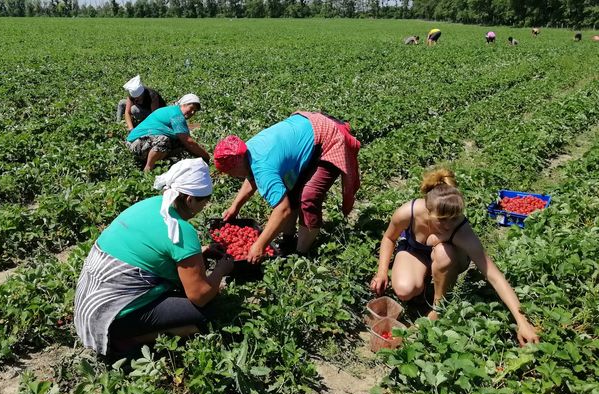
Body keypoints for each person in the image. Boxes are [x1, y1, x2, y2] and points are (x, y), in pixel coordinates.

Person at [74, 158, 234, 356]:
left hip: (88, 307)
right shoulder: (182, 230)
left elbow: (151, 250)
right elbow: (200, 296)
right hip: (111, 318)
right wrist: (221, 271)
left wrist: (197, 253)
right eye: (204, 202)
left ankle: (127, 330)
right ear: (190, 200)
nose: (204, 208)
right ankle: (127, 340)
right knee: (207, 310)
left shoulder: (149, 205)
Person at [369, 169, 540, 346]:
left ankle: (438, 307)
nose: (448, 225)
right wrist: (382, 272)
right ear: (428, 211)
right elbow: (389, 238)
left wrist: (523, 322)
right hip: (416, 252)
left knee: (444, 254)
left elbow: (494, 276)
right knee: (405, 291)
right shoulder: (409, 212)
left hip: (449, 259)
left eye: (453, 218)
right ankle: (426, 278)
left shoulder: (461, 231)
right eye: (442, 219)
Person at [213, 111, 361, 261]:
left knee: (309, 197)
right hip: (310, 129)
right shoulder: (247, 151)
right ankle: (288, 241)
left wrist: (259, 245)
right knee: (290, 191)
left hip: (330, 136)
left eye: (230, 173)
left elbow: (283, 209)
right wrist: (235, 207)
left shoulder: (263, 166)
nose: (232, 176)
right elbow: (252, 177)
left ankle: (301, 255)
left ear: (236, 165)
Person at [126, 94, 210, 172]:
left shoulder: (172, 111)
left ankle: (163, 164)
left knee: (178, 143)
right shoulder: (176, 115)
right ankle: (148, 170)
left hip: (140, 143)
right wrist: (207, 156)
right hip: (135, 143)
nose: (192, 112)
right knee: (163, 141)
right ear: (183, 104)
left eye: (194, 111)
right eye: (191, 108)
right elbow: (188, 142)